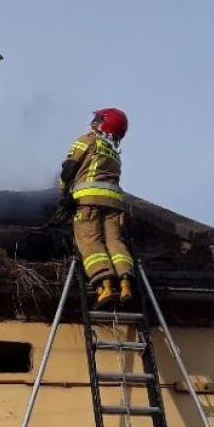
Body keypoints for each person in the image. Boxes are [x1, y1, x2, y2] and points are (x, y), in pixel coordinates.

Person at [58, 108, 135, 310]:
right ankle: (126, 285)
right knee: (115, 242)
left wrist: (65, 194)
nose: (93, 122)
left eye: (97, 119)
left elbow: (69, 169)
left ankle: (105, 287)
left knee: (90, 242)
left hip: (88, 202)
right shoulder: (114, 154)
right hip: (114, 206)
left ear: (103, 124)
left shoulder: (88, 140)